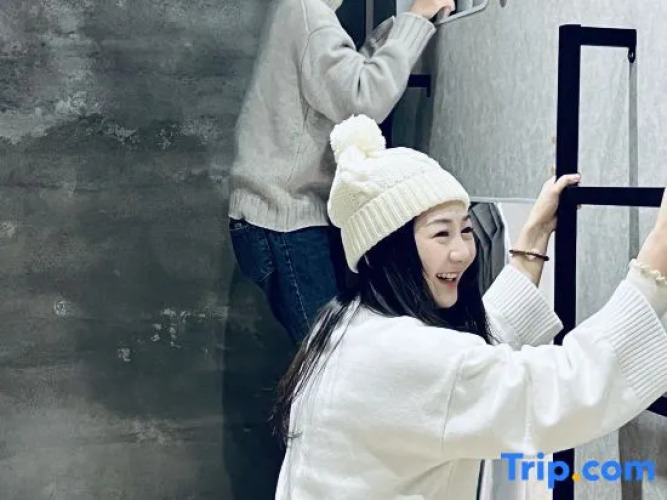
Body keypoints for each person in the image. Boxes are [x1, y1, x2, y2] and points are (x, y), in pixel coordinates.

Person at [272, 114, 667, 499]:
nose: (462, 251)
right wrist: (654, 264)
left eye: (465, 229)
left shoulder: (346, 323)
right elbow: (559, 390)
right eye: (441, 234)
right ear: (387, 250)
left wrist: (533, 238)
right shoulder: (407, 357)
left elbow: (471, 359)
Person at [228, 0, 456, 344]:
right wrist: (415, 18)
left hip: (276, 216)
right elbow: (361, 101)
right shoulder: (307, 12)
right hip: (287, 219)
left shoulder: (301, 11)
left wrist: (400, 28)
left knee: (328, 354)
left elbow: (344, 81)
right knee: (332, 357)